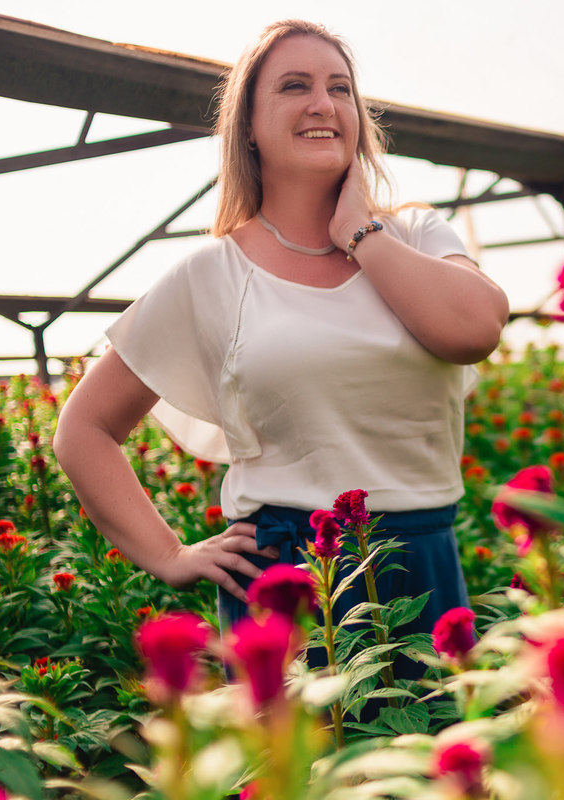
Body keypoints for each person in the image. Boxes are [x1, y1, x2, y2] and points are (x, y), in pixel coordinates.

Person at [54, 20, 508, 677]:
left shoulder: (414, 232)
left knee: (434, 775)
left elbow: (474, 329)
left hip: (424, 563)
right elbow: (84, 429)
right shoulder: (213, 273)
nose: (323, 104)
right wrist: (172, 554)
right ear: (247, 126)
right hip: (288, 580)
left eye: (340, 88)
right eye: (295, 86)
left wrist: (359, 231)